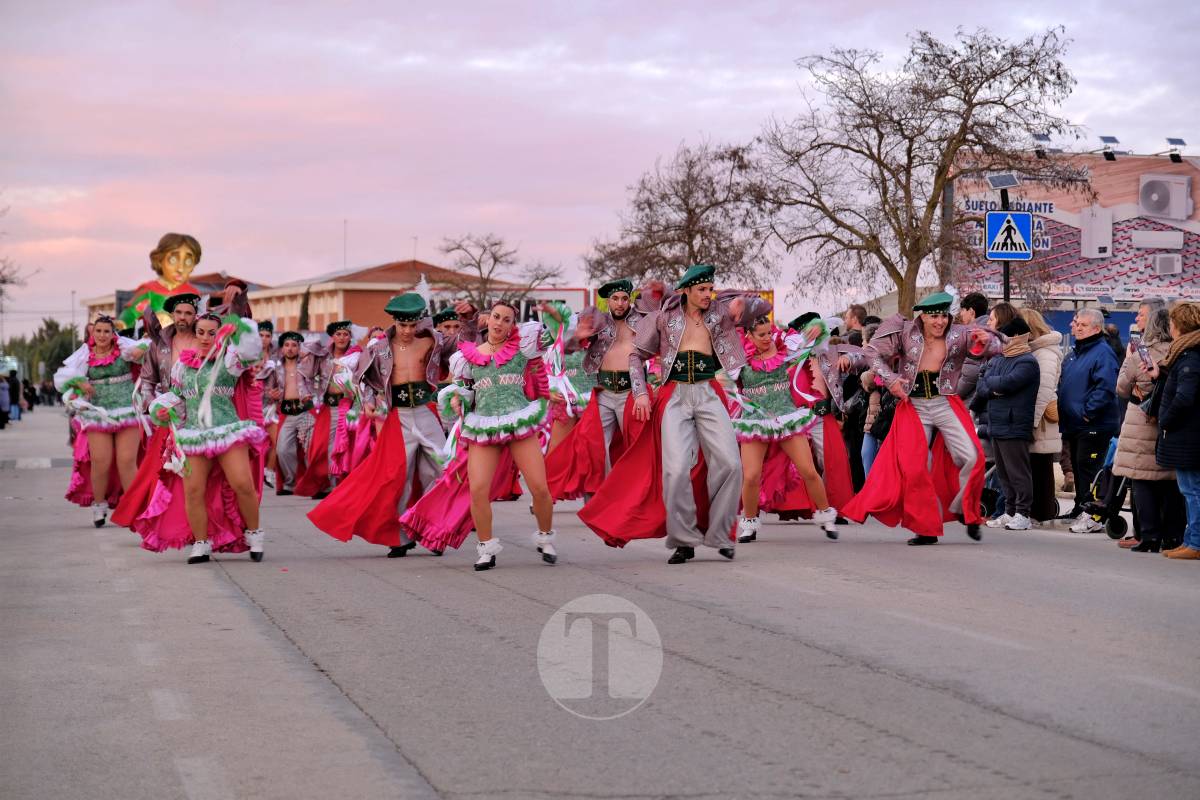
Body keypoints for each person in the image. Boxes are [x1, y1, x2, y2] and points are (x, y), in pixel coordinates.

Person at [578, 264, 771, 564]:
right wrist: (641, 392)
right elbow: (636, 355)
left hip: (708, 392)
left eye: (710, 289)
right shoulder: (663, 317)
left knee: (731, 464)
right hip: (674, 396)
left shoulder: (720, 312)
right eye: (702, 290)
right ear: (687, 291)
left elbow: (764, 306)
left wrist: (745, 302)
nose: (708, 294)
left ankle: (720, 534)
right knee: (677, 469)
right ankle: (684, 540)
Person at [306, 293, 475, 557]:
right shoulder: (378, 347)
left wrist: (468, 319)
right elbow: (363, 377)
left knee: (442, 470)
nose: (407, 330)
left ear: (419, 321)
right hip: (400, 417)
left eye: (412, 325)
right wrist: (368, 401)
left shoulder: (434, 340)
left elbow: (465, 344)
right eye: (402, 325)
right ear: (395, 321)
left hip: (427, 411)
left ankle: (432, 530)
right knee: (398, 477)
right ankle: (399, 537)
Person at [400, 299, 556, 570]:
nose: (499, 323)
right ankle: (486, 548)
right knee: (478, 489)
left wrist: (555, 315)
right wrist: (459, 399)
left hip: (518, 419)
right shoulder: (467, 356)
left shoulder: (522, 347)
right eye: (496, 317)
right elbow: (463, 389)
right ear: (488, 319)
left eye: (506, 320)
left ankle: (545, 537)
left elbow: (553, 334)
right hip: (483, 423)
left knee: (540, 488)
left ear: (512, 325)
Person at [842, 289, 1002, 545]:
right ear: (922, 318)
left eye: (943, 316)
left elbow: (999, 345)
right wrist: (890, 378)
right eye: (934, 316)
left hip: (945, 402)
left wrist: (987, 341)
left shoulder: (960, 334)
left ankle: (965, 509)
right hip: (914, 406)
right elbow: (872, 353)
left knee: (973, 457)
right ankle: (925, 528)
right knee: (914, 467)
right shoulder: (905, 333)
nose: (940, 322)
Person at [147, 312, 267, 563]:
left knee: (242, 484)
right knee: (193, 490)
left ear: (220, 334)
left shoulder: (231, 360)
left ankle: (254, 533)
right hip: (194, 433)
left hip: (227, 431)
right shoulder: (183, 365)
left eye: (211, 333)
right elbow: (178, 397)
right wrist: (160, 407)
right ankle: (201, 543)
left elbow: (251, 350)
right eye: (200, 332)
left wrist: (240, 327)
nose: (205, 338)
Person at [544, 277, 659, 499]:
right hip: (604, 392)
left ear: (630, 300)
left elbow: (660, 316)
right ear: (608, 301)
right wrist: (577, 338)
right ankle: (597, 497)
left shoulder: (641, 321)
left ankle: (636, 495)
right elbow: (568, 349)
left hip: (631, 393)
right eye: (615, 299)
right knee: (593, 447)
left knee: (635, 447)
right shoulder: (599, 323)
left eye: (624, 298)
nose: (620, 303)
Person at [734, 316, 836, 543]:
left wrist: (817, 327)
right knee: (750, 476)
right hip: (755, 420)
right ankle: (749, 524)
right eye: (761, 335)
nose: (767, 338)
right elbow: (723, 378)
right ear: (748, 335)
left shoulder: (783, 346)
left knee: (808, 470)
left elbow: (813, 339)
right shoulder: (739, 356)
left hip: (786, 417)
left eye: (769, 332)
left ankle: (826, 515)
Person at [54, 315, 148, 526]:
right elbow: (62, 377)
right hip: (98, 412)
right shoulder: (84, 354)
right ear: (92, 333)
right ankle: (99, 505)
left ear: (112, 333)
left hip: (126, 410)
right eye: (98, 331)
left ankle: (134, 508)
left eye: (106, 331)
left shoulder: (123, 346)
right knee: (101, 462)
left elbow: (146, 349)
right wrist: (79, 382)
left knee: (126, 462)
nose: (102, 335)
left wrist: (141, 351)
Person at [1113, 304, 1180, 552]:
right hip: (1169, 423)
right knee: (1170, 482)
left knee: (1142, 481)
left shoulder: (1140, 354)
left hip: (1140, 421)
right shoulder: (1177, 352)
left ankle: (1149, 535)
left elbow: (1121, 387)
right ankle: (1172, 535)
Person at [973, 315, 1040, 530]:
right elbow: (982, 387)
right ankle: (1010, 511)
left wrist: (994, 386)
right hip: (997, 423)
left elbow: (1008, 383)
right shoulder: (1000, 358)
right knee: (1004, 474)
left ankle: (1023, 513)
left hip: (1015, 424)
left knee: (1018, 472)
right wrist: (995, 387)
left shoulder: (1028, 361)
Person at [1059, 308, 1120, 532]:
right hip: (1074, 424)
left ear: (1096, 328)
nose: (1075, 327)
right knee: (1078, 467)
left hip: (1093, 425)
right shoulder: (1076, 353)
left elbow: (1105, 387)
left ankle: (1093, 514)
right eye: (1076, 323)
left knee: (1090, 469)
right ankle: (1080, 507)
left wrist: (1087, 412)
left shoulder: (1102, 352)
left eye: (1082, 325)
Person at [1146, 302, 1200, 560]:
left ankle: (1196, 543)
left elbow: (1185, 397)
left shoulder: (1191, 356)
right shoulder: (1186, 354)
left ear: (1177, 325)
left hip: (1188, 435)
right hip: (1187, 435)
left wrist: (1165, 419)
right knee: (1190, 490)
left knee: (1193, 491)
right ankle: (1191, 540)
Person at [293, 320, 362, 498]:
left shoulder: (357, 356)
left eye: (345, 334)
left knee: (346, 447)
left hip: (350, 408)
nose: (341, 337)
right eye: (338, 334)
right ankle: (324, 484)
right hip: (327, 407)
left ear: (350, 337)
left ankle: (340, 486)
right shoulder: (322, 355)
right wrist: (305, 393)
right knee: (320, 448)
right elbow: (302, 373)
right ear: (332, 336)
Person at [1020, 308, 1064, 524]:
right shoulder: (1036, 351)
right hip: (1038, 417)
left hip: (1042, 420)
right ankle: (1039, 510)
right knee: (1036, 464)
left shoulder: (1045, 353)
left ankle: (1041, 511)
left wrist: (1032, 420)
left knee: (1040, 466)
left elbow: (1044, 390)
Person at [264, 331, 312, 495]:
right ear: (282, 348)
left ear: (299, 348)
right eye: (287, 345)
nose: (290, 348)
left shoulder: (308, 364)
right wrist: (271, 394)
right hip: (286, 414)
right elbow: (267, 390)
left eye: (294, 345)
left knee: (311, 448)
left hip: (306, 412)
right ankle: (290, 484)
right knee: (283, 450)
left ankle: (313, 483)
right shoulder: (275, 368)